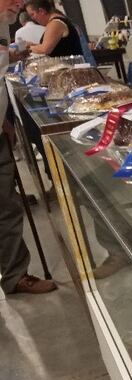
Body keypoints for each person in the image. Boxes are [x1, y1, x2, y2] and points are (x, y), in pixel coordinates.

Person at [0, 0, 55, 294]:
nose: (20, 3)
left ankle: (14, 275)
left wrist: (3, 122)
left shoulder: (3, 24)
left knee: (7, 207)